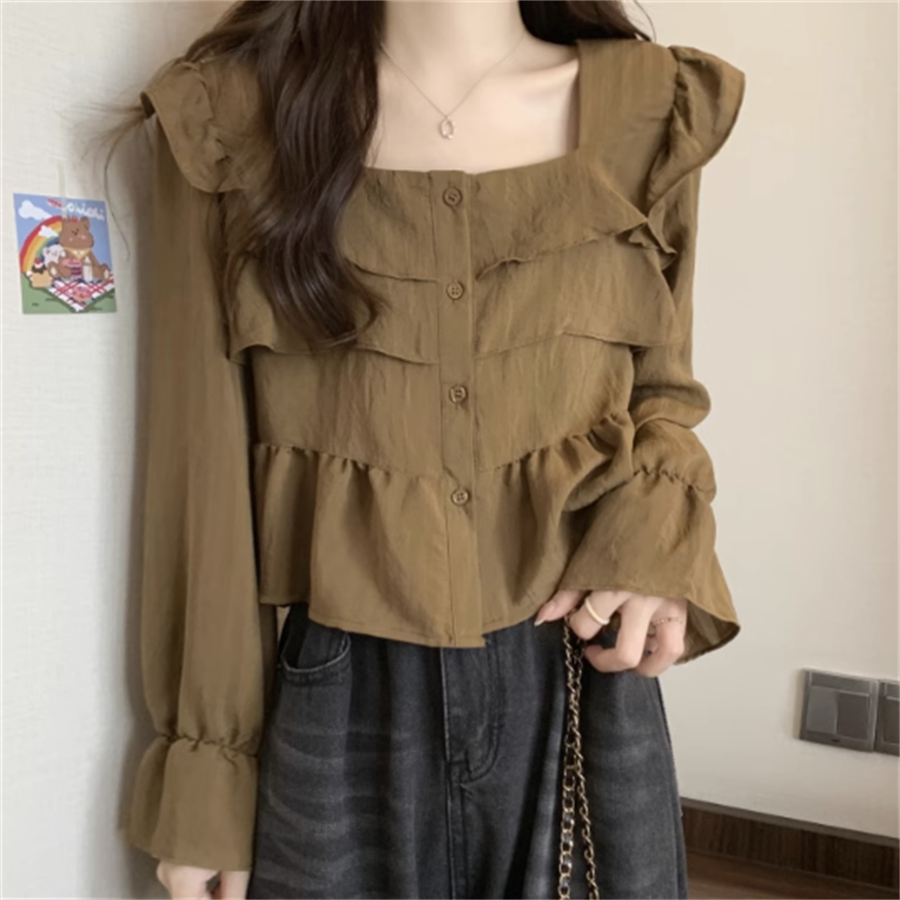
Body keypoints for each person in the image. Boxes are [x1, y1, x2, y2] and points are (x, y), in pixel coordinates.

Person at [105, 0, 746, 897]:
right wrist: (208, 779)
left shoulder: (651, 107)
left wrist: (655, 544)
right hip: (338, 696)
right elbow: (199, 473)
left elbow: (664, 394)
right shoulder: (228, 126)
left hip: (579, 674)